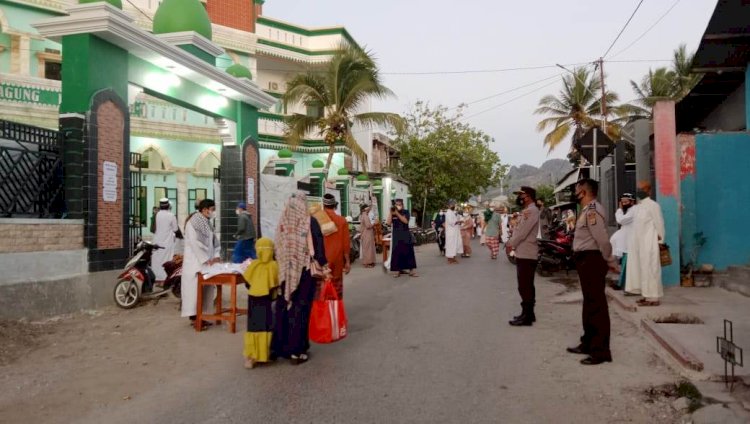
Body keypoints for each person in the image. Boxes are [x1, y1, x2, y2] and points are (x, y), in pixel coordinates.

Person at [272, 192, 330, 365]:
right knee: (300, 309)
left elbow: (277, 247)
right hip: (304, 273)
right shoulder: (309, 222)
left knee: (284, 307)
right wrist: (325, 266)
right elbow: (318, 248)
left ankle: (280, 348)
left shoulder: (283, 222)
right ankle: (297, 351)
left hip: (284, 273)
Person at [567, 179, 617, 365]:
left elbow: (602, 240)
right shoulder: (587, 210)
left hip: (593, 260)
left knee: (596, 306)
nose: (574, 192)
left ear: (584, 192)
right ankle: (588, 342)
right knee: (589, 304)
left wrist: (610, 260)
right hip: (586, 260)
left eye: (576, 189)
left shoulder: (593, 211)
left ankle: (601, 351)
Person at [181, 199, 221, 329]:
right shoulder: (193, 223)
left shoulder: (207, 223)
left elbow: (214, 242)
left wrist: (215, 256)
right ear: (204, 210)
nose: (213, 212)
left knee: (206, 292)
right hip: (195, 263)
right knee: (194, 294)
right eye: (212, 209)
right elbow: (195, 244)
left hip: (206, 264)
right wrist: (205, 259)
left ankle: (203, 317)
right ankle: (195, 319)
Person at [625, 181, 666, 306]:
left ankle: (653, 298)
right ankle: (645, 295)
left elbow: (659, 224)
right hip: (638, 244)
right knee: (641, 269)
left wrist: (660, 241)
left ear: (649, 191)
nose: (639, 191)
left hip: (649, 243)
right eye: (638, 189)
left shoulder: (653, 205)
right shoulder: (637, 207)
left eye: (642, 189)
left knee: (651, 269)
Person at [241, 237, 279, 369]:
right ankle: (265, 354)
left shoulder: (254, 265)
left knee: (253, 328)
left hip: (253, 301)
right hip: (267, 302)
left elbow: (247, 283)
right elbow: (276, 285)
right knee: (267, 327)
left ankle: (251, 357)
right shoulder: (274, 266)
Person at [506, 186, 540, 326]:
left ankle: (527, 317)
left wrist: (510, 243)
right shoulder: (527, 211)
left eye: (521, 195)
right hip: (523, 251)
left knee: (525, 286)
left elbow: (523, 232)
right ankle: (528, 314)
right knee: (525, 285)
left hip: (527, 252)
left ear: (528, 196)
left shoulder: (531, 211)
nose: (519, 198)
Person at [322, 193, 350, 299]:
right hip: (337, 259)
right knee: (336, 287)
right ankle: (335, 311)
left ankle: (324, 313)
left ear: (323, 205)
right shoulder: (342, 220)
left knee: (323, 287)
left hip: (322, 260)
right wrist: (347, 261)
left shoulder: (316, 220)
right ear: (335, 205)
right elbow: (346, 243)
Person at [151, 198, 181, 284]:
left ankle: (156, 279)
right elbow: (175, 229)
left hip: (156, 242)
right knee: (167, 261)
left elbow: (152, 229)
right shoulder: (171, 216)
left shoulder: (156, 215)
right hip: (167, 243)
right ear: (168, 206)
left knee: (157, 261)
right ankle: (165, 279)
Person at [609, 193, 636, 290]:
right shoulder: (628, 210)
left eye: (626, 202)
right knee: (624, 265)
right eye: (622, 202)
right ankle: (621, 283)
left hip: (630, 243)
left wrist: (619, 209)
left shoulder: (633, 211)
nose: (624, 204)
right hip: (625, 244)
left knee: (626, 265)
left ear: (632, 202)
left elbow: (621, 220)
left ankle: (621, 284)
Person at [389, 199, 418, 277]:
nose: (398, 206)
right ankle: (398, 270)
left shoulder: (406, 212)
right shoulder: (393, 212)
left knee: (408, 252)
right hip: (396, 235)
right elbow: (388, 222)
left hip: (405, 234)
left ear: (402, 205)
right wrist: (391, 213)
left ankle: (411, 270)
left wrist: (397, 213)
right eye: (397, 204)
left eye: (400, 204)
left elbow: (405, 221)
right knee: (397, 252)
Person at [359, 204, 376, 268]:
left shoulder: (363, 215)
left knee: (367, 248)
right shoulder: (365, 216)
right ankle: (368, 263)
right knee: (368, 249)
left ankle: (369, 262)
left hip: (366, 234)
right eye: (368, 208)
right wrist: (374, 224)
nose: (369, 209)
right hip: (367, 234)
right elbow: (368, 226)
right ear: (365, 209)